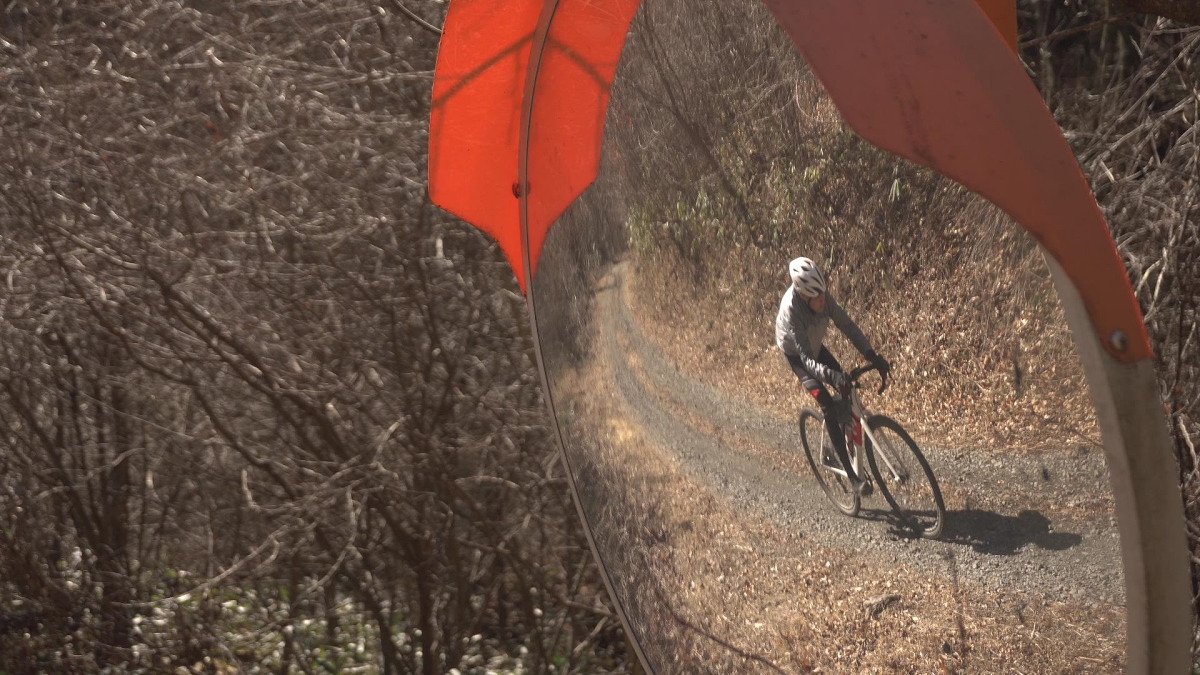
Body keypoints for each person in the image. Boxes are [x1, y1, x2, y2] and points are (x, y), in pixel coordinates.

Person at [775, 256, 891, 495]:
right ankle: (853, 478)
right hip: (797, 354)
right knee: (827, 402)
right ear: (804, 297)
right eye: (816, 298)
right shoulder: (792, 312)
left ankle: (843, 432)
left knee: (845, 387)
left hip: (814, 345)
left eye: (823, 294)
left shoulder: (823, 297)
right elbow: (807, 360)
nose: (823, 301)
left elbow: (847, 326)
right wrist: (831, 376)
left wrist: (871, 354)